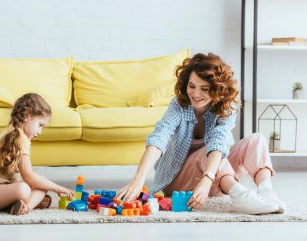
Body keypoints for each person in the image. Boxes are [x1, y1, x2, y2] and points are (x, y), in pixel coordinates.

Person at [117, 53, 285, 215]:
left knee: (256, 139)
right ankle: (240, 195)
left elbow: (219, 141)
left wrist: (207, 179)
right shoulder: (178, 105)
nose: (196, 94)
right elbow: (160, 136)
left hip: (213, 178)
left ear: (217, 89)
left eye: (204, 88)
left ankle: (266, 193)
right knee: (209, 152)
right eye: (192, 86)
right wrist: (139, 178)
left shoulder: (227, 107)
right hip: (177, 179)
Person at [0, 93, 74, 215]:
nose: (40, 132)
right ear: (27, 115)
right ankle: (28, 203)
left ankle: (24, 207)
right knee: (24, 189)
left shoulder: (14, 130)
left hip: (1, 188)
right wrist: (58, 188)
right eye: (40, 125)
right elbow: (28, 176)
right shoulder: (19, 137)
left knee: (42, 182)